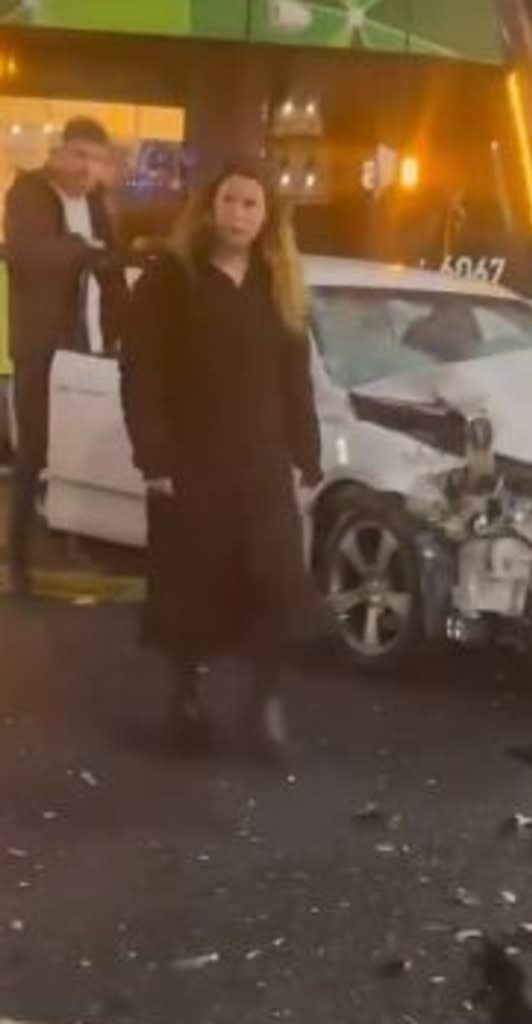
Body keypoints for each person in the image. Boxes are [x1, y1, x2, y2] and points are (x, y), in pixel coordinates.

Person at [120, 159, 324, 757]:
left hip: (261, 461)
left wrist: (306, 460)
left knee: (274, 587)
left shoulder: (276, 285)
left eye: (251, 204)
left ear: (267, 217)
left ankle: (266, 707)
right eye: (230, 201)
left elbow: (296, 380)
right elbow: (142, 372)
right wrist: (153, 457)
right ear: (210, 208)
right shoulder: (169, 279)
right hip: (192, 461)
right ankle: (186, 700)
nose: (239, 214)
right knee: (192, 589)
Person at [5, 116, 127, 596]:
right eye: (78, 155)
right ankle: (18, 558)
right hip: (41, 345)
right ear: (56, 153)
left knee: (81, 445)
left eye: (95, 159)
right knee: (33, 449)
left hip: (90, 342)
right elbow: (29, 254)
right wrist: (81, 249)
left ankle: (73, 540)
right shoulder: (28, 193)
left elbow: (112, 265)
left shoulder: (97, 204)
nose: (86, 168)